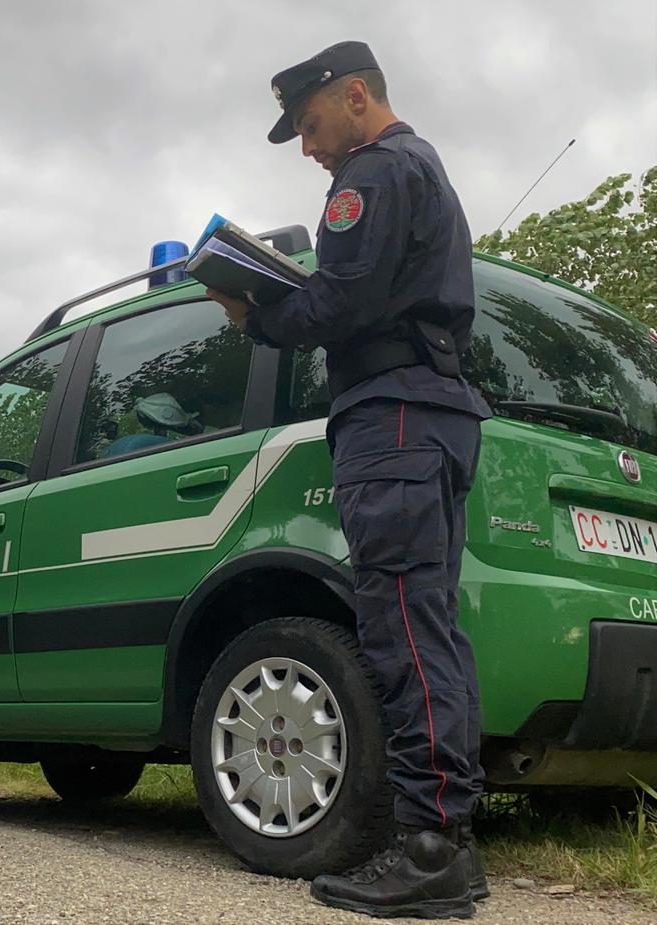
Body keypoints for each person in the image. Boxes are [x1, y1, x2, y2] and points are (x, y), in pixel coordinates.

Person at [207, 41, 491, 919]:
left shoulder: (375, 170)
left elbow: (342, 302)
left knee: (400, 626)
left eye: (310, 123)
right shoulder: (427, 169)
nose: (309, 147)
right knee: (428, 626)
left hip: (394, 413)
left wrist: (257, 313)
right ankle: (450, 844)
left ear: (356, 96)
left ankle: (432, 847)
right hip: (433, 412)